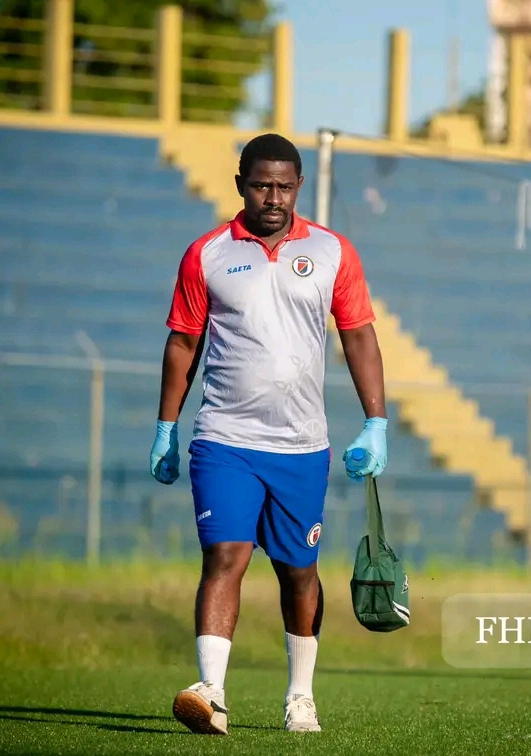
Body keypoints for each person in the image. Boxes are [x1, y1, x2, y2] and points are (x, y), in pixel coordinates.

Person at [149, 133, 388, 735]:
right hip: (224, 438)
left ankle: (300, 697)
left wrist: (376, 422)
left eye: (283, 186)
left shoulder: (333, 252)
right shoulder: (206, 254)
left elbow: (358, 333)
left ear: (299, 187)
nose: (273, 198)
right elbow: (183, 342)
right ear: (240, 184)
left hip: (302, 446)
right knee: (224, 556)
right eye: (261, 185)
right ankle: (213, 694)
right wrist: (166, 428)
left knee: (297, 571)